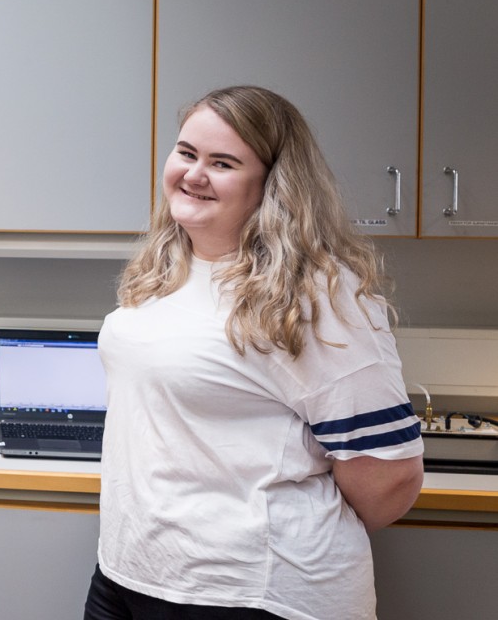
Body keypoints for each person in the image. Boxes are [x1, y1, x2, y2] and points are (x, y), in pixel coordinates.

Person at [85, 85, 424, 620]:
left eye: (222, 162)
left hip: (250, 592)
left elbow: (390, 476)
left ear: (272, 187)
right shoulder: (165, 268)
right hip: (130, 570)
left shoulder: (317, 295)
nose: (194, 174)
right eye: (187, 153)